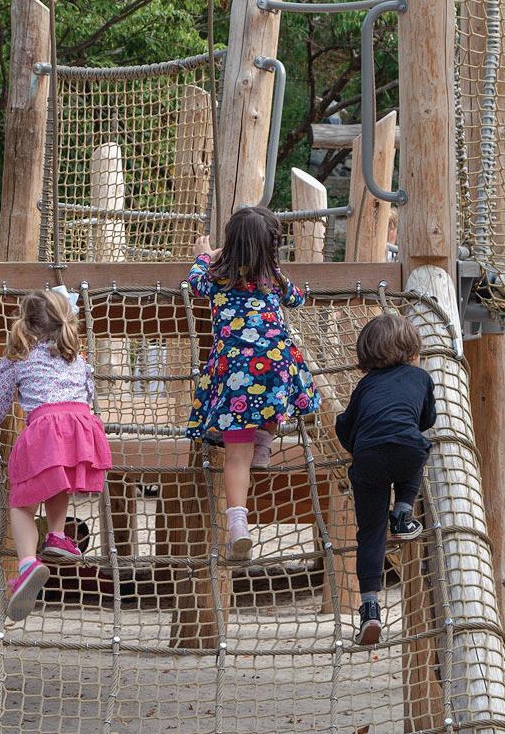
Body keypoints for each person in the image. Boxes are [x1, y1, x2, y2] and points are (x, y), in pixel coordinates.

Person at [0, 290, 112, 620]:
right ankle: (57, 535)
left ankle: (28, 563)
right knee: (59, 480)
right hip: (81, 429)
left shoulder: (19, 359)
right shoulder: (78, 359)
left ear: (27, 325)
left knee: (21, 505)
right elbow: (88, 393)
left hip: (45, 431)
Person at [186, 206, 320, 559]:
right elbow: (297, 299)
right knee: (272, 400)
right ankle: (263, 442)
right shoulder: (272, 278)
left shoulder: (215, 277)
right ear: (271, 247)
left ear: (230, 242)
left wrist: (204, 255)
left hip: (235, 372)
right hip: (276, 365)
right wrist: (274, 268)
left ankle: (238, 529)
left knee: (235, 456)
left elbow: (193, 283)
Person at [334, 313, 436, 646]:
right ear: (412, 349)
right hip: (406, 448)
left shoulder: (364, 386)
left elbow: (346, 427)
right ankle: (403, 512)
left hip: (367, 458)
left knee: (370, 533)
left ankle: (370, 609)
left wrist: (357, 444)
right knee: (417, 447)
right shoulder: (420, 377)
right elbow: (427, 419)